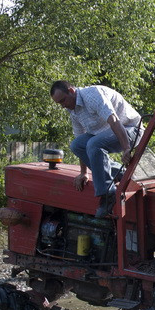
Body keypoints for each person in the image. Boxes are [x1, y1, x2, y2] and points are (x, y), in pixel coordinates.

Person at [50, 81, 142, 218]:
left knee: (93, 144)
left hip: (131, 130)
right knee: (76, 145)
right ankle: (118, 173)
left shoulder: (92, 95)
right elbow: (81, 142)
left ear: (71, 91)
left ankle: (107, 194)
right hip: (108, 134)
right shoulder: (73, 111)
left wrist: (126, 148)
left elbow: (114, 121)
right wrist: (83, 172)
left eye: (63, 100)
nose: (63, 106)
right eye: (59, 104)